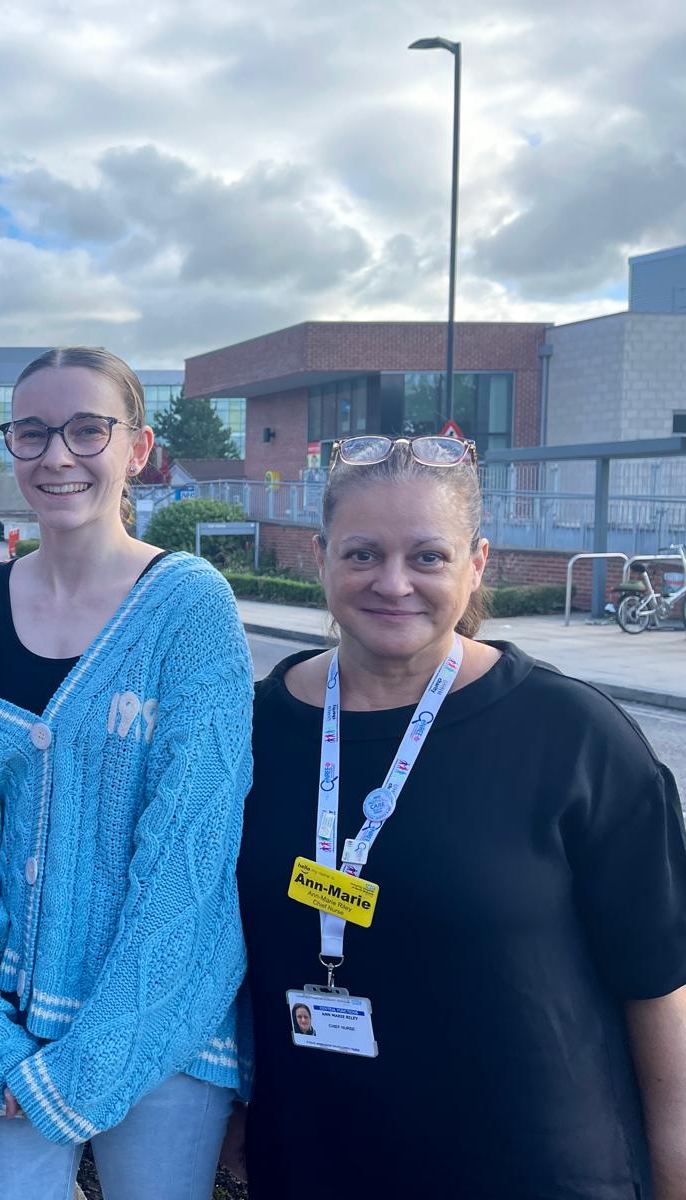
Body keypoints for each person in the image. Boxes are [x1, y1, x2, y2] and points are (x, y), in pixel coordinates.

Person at [235, 434, 686, 1197]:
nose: (393, 583)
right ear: (320, 559)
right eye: (362, 554)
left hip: (535, 1170)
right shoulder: (251, 731)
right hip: (318, 1163)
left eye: (428, 557)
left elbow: (660, 986)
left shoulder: (573, 736)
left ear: (477, 563)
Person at [0, 347, 252, 1199]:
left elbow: (194, 840)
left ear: (138, 448)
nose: (57, 456)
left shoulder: (190, 605)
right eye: (32, 433)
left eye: (86, 430)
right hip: (12, 1019)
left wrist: (102, 1053)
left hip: (163, 1020)